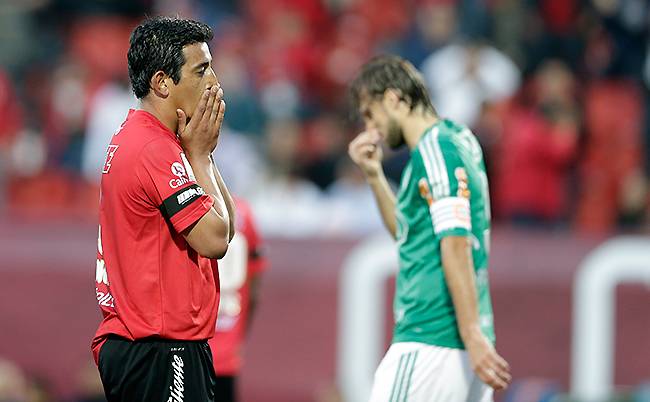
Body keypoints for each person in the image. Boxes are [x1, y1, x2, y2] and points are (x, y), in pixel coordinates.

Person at [347, 55, 511, 402]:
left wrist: (471, 334)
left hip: (430, 341)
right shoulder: (454, 143)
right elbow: (408, 234)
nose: (370, 128)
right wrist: (374, 176)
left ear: (392, 99)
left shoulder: (436, 150)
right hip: (458, 345)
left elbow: (455, 243)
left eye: (369, 113)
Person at [92, 16, 236, 402]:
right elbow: (215, 240)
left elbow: (226, 226)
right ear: (162, 82)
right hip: (159, 347)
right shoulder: (153, 149)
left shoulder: (148, 139)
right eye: (201, 69)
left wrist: (199, 154)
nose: (214, 82)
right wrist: (201, 158)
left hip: (157, 345)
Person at [209, 197, 267, 402]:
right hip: (227, 334)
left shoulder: (178, 202)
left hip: (183, 342)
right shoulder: (242, 211)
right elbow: (255, 289)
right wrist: (241, 335)